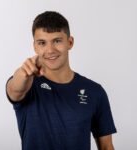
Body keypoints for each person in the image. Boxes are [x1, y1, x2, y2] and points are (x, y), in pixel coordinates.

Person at [6, 11, 117, 150]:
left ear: (70, 42)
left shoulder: (95, 91)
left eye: (57, 41)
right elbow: (15, 89)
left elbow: (106, 146)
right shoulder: (27, 84)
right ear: (35, 46)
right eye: (42, 43)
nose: (50, 50)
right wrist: (23, 73)